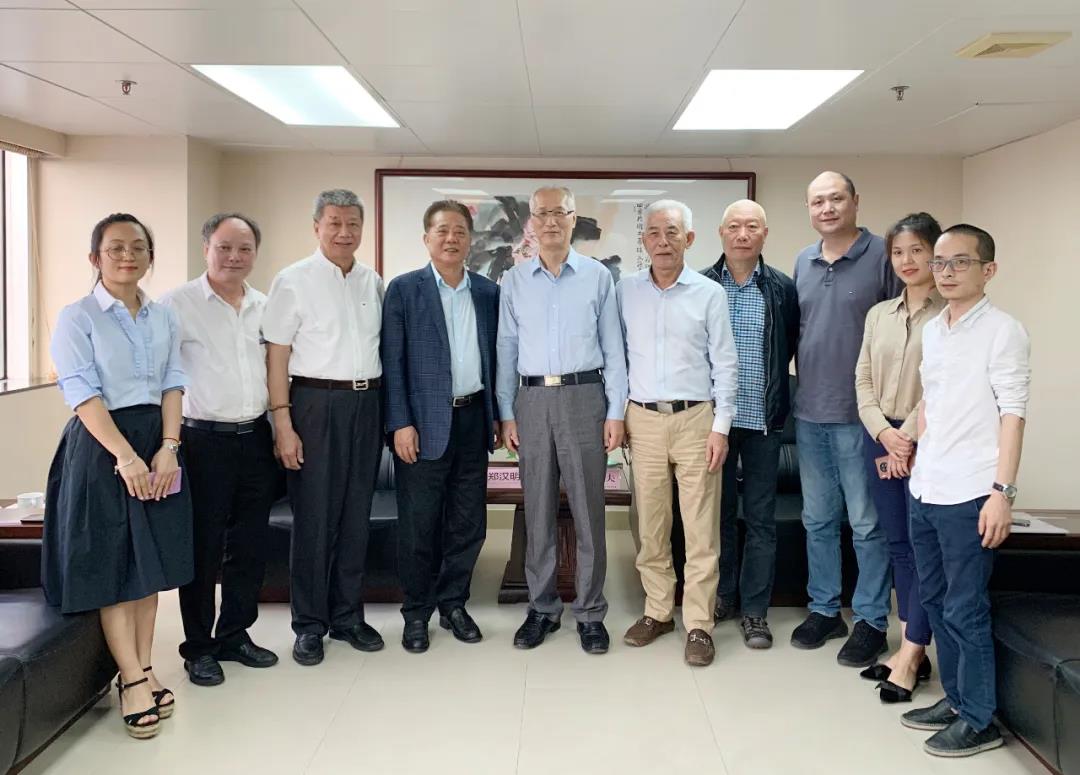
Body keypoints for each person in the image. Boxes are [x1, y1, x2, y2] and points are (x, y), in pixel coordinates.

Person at [44, 213, 192, 739]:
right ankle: (130, 679)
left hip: (158, 440)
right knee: (113, 564)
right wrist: (127, 458)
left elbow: (174, 382)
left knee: (149, 563)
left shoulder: (163, 316)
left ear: (150, 256)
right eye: (115, 248)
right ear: (95, 258)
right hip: (103, 445)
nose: (128, 256)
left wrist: (169, 448)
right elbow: (82, 393)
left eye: (138, 247)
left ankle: (146, 667)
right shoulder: (77, 317)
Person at [901, 224, 1030, 757]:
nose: (947, 272)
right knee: (934, 600)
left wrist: (1003, 492)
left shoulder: (1004, 331)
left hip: (972, 492)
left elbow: (1013, 413)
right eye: (940, 262)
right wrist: (908, 444)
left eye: (960, 262)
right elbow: (932, 402)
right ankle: (956, 700)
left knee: (965, 607)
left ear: (988, 270)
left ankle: (980, 719)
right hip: (927, 486)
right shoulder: (935, 329)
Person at [497, 185, 628, 654]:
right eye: (542, 213)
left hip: (584, 397)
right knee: (537, 510)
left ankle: (590, 612)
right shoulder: (514, 281)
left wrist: (616, 411)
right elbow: (506, 349)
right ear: (530, 222)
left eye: (560, 213)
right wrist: (505, 411)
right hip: (531, 400)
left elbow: (614, 349)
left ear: (574, 218)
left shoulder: (598, 277)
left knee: (590, 510)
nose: (550, 221)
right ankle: (542, 608)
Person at [263, 189, 386, 666]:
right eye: (334, 222)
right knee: (314, 518)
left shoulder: (372, 281)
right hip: (314, 403)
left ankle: (348, 616)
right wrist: (283, 422)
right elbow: (277, 356)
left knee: (356, 515)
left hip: (366, 403)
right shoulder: (292, 280)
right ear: (317, 226)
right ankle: (309, 625)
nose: (344, 232)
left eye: (353, 223)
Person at [161, 213, 280, 687]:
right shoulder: (176, 305)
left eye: (245, 249)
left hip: (255, 438)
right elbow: (164, 380)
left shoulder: (265, 305)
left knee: (249, 545)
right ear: (206, 248)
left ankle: (235, 634)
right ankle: (198, 647)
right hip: (201, 440)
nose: (235, 257)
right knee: (203, 548)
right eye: (225, 247)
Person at [618, 200, 737, 666]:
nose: (662, 241)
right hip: (643, 420)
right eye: (654, 232)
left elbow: (725, 364)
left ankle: (699, 624)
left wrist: (721, 428)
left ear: (688, 239)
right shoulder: (626, 290)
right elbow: (617, 358)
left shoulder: (709, 293)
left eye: (672, 232)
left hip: (696, 420)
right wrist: (619, 416)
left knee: (701, 529)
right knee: (650, 525)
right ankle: (657, 611)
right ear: (643, 240)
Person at [790, 171, 902, 666]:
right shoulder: (803, 260)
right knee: (817, 519)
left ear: (855, 201)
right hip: (810, 411)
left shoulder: (882, 256)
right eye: (818, 201)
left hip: (865, 416)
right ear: (809, 209)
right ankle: (824, 609)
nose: (827, 208)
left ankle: (872, 619)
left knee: (866, 522)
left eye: (836, 198)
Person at [381, 200, 501, 653]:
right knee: (419, 525)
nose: (451, 239)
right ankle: (416, 612)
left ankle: (454, 604)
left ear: (470, 239)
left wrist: (496, 415)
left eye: (459, 231)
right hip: (422, 424)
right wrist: (400, 423)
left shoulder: (488, 292)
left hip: (473, 418)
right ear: (426, 238)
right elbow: (392, 363)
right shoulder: (404, 290)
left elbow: (496, 360)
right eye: (442, 231)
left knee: (469, 523)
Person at [854, 213, 945, 702]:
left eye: (917, 250)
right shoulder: (879, 315)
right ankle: (913, 649)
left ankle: (910, 656)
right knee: (899, 546)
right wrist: (883, 433)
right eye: (898, 252)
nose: (907, 260)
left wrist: (905, 437)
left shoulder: (948, 315)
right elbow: (863, 379)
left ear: (935, 254)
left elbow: (940, 388)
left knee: (924, 546)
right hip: (881, 437)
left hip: (927, 443)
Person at [702, 199, 798, 649]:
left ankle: (755, 611)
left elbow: (787, 347)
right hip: (711, 424)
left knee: (761, 520)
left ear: (764, 234)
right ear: (721, 232)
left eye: (752, 227)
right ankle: (723, 595)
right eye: (735, 226)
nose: (743, 234)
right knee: (717, 517)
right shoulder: (701, 285)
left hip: (763, 421)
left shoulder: (782, 289)